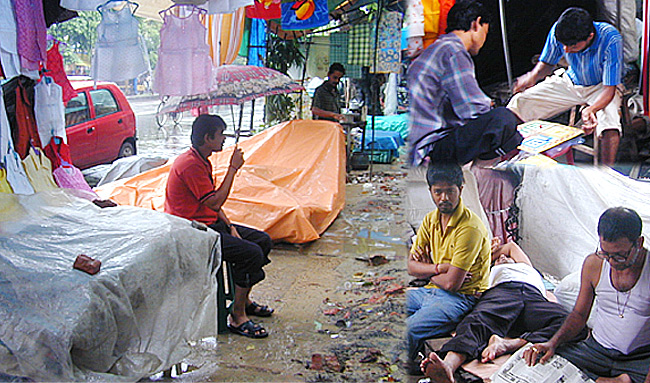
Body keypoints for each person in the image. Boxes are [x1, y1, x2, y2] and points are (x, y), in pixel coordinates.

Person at [165, 114, 274, 339]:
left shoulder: (201, 159)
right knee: (250, 253)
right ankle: (237, 316)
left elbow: (211, 203)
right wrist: (233, 169)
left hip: (209, 223)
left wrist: (230, 225)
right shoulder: (190, 164)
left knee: (262, 240)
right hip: (191, 231)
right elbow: (214, 201)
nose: (224, 139)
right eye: (220, 134)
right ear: (207, 137)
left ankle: (243, 299)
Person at [420, 240, 586, 383]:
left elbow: (510, 246)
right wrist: (485, 259)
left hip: (534, 297)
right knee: (477, 321)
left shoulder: (526, 267)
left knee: (570, 322)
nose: (502, 257)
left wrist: (495, 253)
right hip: (502, 293)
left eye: (505, 257)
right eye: (498, 259)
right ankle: (448, 365)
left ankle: (509, 343)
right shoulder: (488, 274)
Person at [524, 207, 650, 383]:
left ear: (639, 242)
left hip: (640, 359)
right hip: (596, 350)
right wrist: (552, 343)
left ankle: (618, 379)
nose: (612, 262)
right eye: (606, 254)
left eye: (620, 256)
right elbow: (579, 315)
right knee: (547, 363)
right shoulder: (594, 264)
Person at [407, 0, 523, 167]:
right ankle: (492, 168)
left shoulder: (439, 48)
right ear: (476, 24)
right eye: (485, 32)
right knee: (503, 119)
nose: (485, 39)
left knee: (499, 119)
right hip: (430, 149)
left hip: (419, 144)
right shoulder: (453, 52)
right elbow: (473, 109)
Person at [507, 7, 623, 166]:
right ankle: (509, 158)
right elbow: (547, 63)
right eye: (564, 46)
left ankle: (605, 175)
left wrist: (591, 109)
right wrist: (531, 77)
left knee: (609, 123)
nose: (566, 51)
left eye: (573, 46)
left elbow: (609, 89)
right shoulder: (559, 30)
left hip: (601, 86)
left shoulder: (610, 37)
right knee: (519, 102)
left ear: (590, 37)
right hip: (570, 81)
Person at [406, 162, 492, 373]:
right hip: (429, 291)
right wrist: (439, 268)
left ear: (460, 190)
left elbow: (453, 284)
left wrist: (428, 268)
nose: (444, 198)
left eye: (449, 191)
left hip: (460, 299)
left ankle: (412, 368)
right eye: (438, 192)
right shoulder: (430, 220)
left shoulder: (469, 227)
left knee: (406, 330)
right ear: (431, 192)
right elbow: (410, 266)